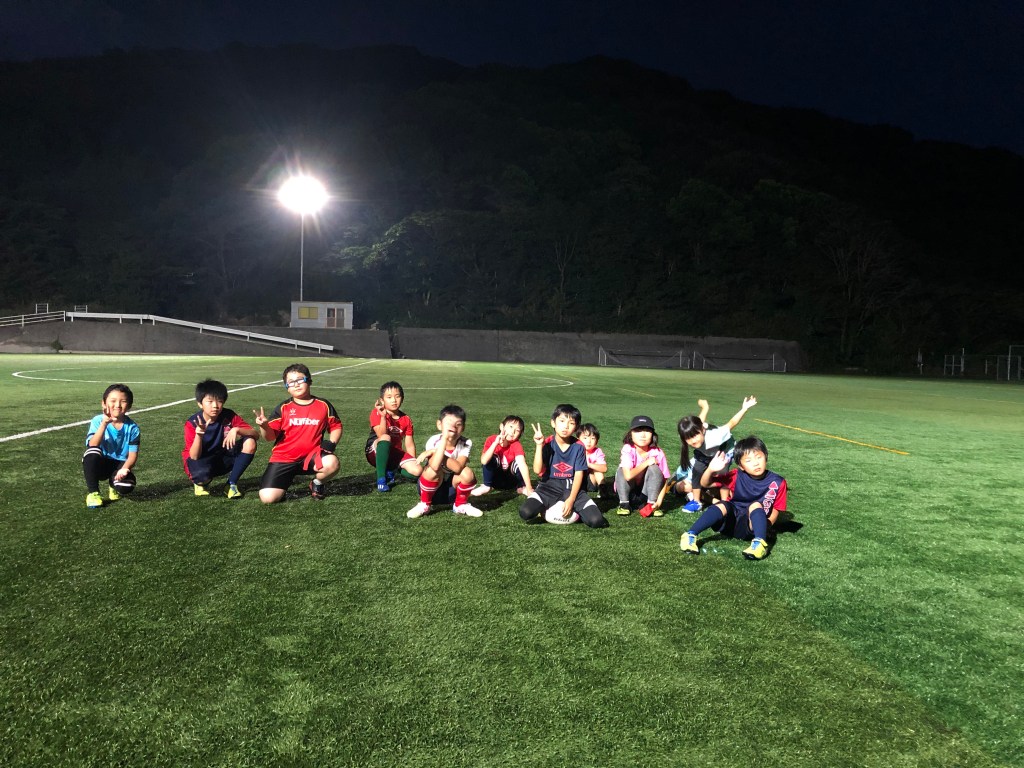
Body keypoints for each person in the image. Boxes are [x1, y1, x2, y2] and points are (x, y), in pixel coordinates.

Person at [680, 436, 787, 560]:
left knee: (756, 505)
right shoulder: (736, 475)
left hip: (751, 528)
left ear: (766, 456)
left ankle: (759, 544)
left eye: (759, 457)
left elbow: (776, 509)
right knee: (723, 504)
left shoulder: (778, 482)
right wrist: (710, 470)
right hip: (729, 523)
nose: (756, 463)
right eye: (748, 460)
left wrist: (766, 526)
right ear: (741, 465)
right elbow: (705, 483)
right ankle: (690, 535)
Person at [253, 363, 342, 503]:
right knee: (268, 498)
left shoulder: (323, 405)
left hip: (311, 457)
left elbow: (336, 426)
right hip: (284, 458)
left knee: (332, 463)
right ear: (287, 387)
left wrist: (332, 443)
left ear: (309, 380)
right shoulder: (283, 408)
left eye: (300, 380)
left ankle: (316, 483)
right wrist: (264, 426)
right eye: (291, 382)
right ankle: (285, 479)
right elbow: (269, 437)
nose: (296, 384)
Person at [519, 404, 608, 528]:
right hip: (549, 486)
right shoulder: (547, 443)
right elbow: (537, 470)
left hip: (572, 487)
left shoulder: (579, 446)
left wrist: (571, 500)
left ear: (576, 427)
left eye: (571, 423)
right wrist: (539, 445)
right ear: (553, 423)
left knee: (596, 521)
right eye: (562, 421)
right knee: (525, 512)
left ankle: (577, 512)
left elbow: (579, 475)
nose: (566, 426)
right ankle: (545, 509)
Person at [675, 396, 757, 510]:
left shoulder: (716, 436)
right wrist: (705, 407)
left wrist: (744, 408)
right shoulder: (696, 432)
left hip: (724, 450)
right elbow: (700, 420)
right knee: (697, 471)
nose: (692, 441)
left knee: (722, 474)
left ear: (703, 430)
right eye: (688, 438)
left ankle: (725, 503)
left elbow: (732, 423)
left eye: (695, 436)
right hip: (705, 452)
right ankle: (696, 502)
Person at [182, 379, 259, 498]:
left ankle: (231, 484)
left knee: (250, 441)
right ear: (200, 403)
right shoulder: (192, 423)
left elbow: (255, 434)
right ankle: (201, 483)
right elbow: (194, 456)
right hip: (201, 460)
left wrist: (236, 429)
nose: (215, 406)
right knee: (202, 477)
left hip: (221, 456)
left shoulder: (229, 415)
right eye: (210, 401)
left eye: (219, 401)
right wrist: (199, 435)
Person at [406, 404, 483, 519]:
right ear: (439, 425)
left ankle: (460, 505)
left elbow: (458, 468)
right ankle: (424, 505)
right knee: (431, 471)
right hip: (431, 490)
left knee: (468, 473)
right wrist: (444, 440)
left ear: (463, 428)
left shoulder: (466, 442)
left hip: (452, 491)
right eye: (448, 424)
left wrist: (434, 452)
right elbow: (435, 466)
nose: (453, 428)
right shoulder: (433, 440)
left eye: (458, 425)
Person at [82, 383, 139, 508]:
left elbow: (132, 456)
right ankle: (93, 493)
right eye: (113, 401)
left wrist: (125, 468)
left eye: (123, 401)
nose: (117, 405)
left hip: (118, 464)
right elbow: (92, 444)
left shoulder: (133, 428)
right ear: (104, 403)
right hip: (101, 463)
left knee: (127, 485)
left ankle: (113, 485)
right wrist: (104, 424)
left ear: (129, 406)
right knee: (91, 453)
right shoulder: (97, 421)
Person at [365, 381, 421, 493]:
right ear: (382, 400)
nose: (394, 400)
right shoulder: (377, 413)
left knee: (418, 471)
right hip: (375, 451)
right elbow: (381, 435)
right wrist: (383, 417)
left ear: (402, 398)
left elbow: (409, 444)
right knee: (386, 437)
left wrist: (413, 461)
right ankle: (381, 480)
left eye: (397, 396)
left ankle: (393, 470)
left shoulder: (406, 419)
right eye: (389, 397)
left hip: (394, 453)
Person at [614, 415, 670, 517]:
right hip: (629, 492)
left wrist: (659, 502)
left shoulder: (658, 452)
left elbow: (664, 479)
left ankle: (652, 503)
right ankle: (624, 504)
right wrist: (646, 462)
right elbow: (628, 476)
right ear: (631, 433)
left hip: (645, 494)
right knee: (622, 470)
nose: (643, 435)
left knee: (654, 468)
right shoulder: (628, 449)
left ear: (653, 434)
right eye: (638, 431)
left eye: (647, 431)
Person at [471, 415, 534, 497]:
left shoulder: (516, 444)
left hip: (511, 482)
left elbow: (522, 465)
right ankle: (486, 486)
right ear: (502, 427)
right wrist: (495, 443)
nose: (513, 432)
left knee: (517, 462)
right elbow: (484, 461)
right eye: (511, 427)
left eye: (517, 430)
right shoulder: (491, 439)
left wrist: (529, 488)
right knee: (492, 457)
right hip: (494, 481)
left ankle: (521, 487)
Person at [578, 423, 608, 496]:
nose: (589, 441)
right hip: (576, 479)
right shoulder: (575, 449)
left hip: (590, 481)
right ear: (578, 439)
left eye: (592, 438)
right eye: (585, 438)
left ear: (597, 441)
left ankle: (602, 489)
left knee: (597, 468)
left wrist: (589, 464)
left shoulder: (597, 451)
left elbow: (604, 468)